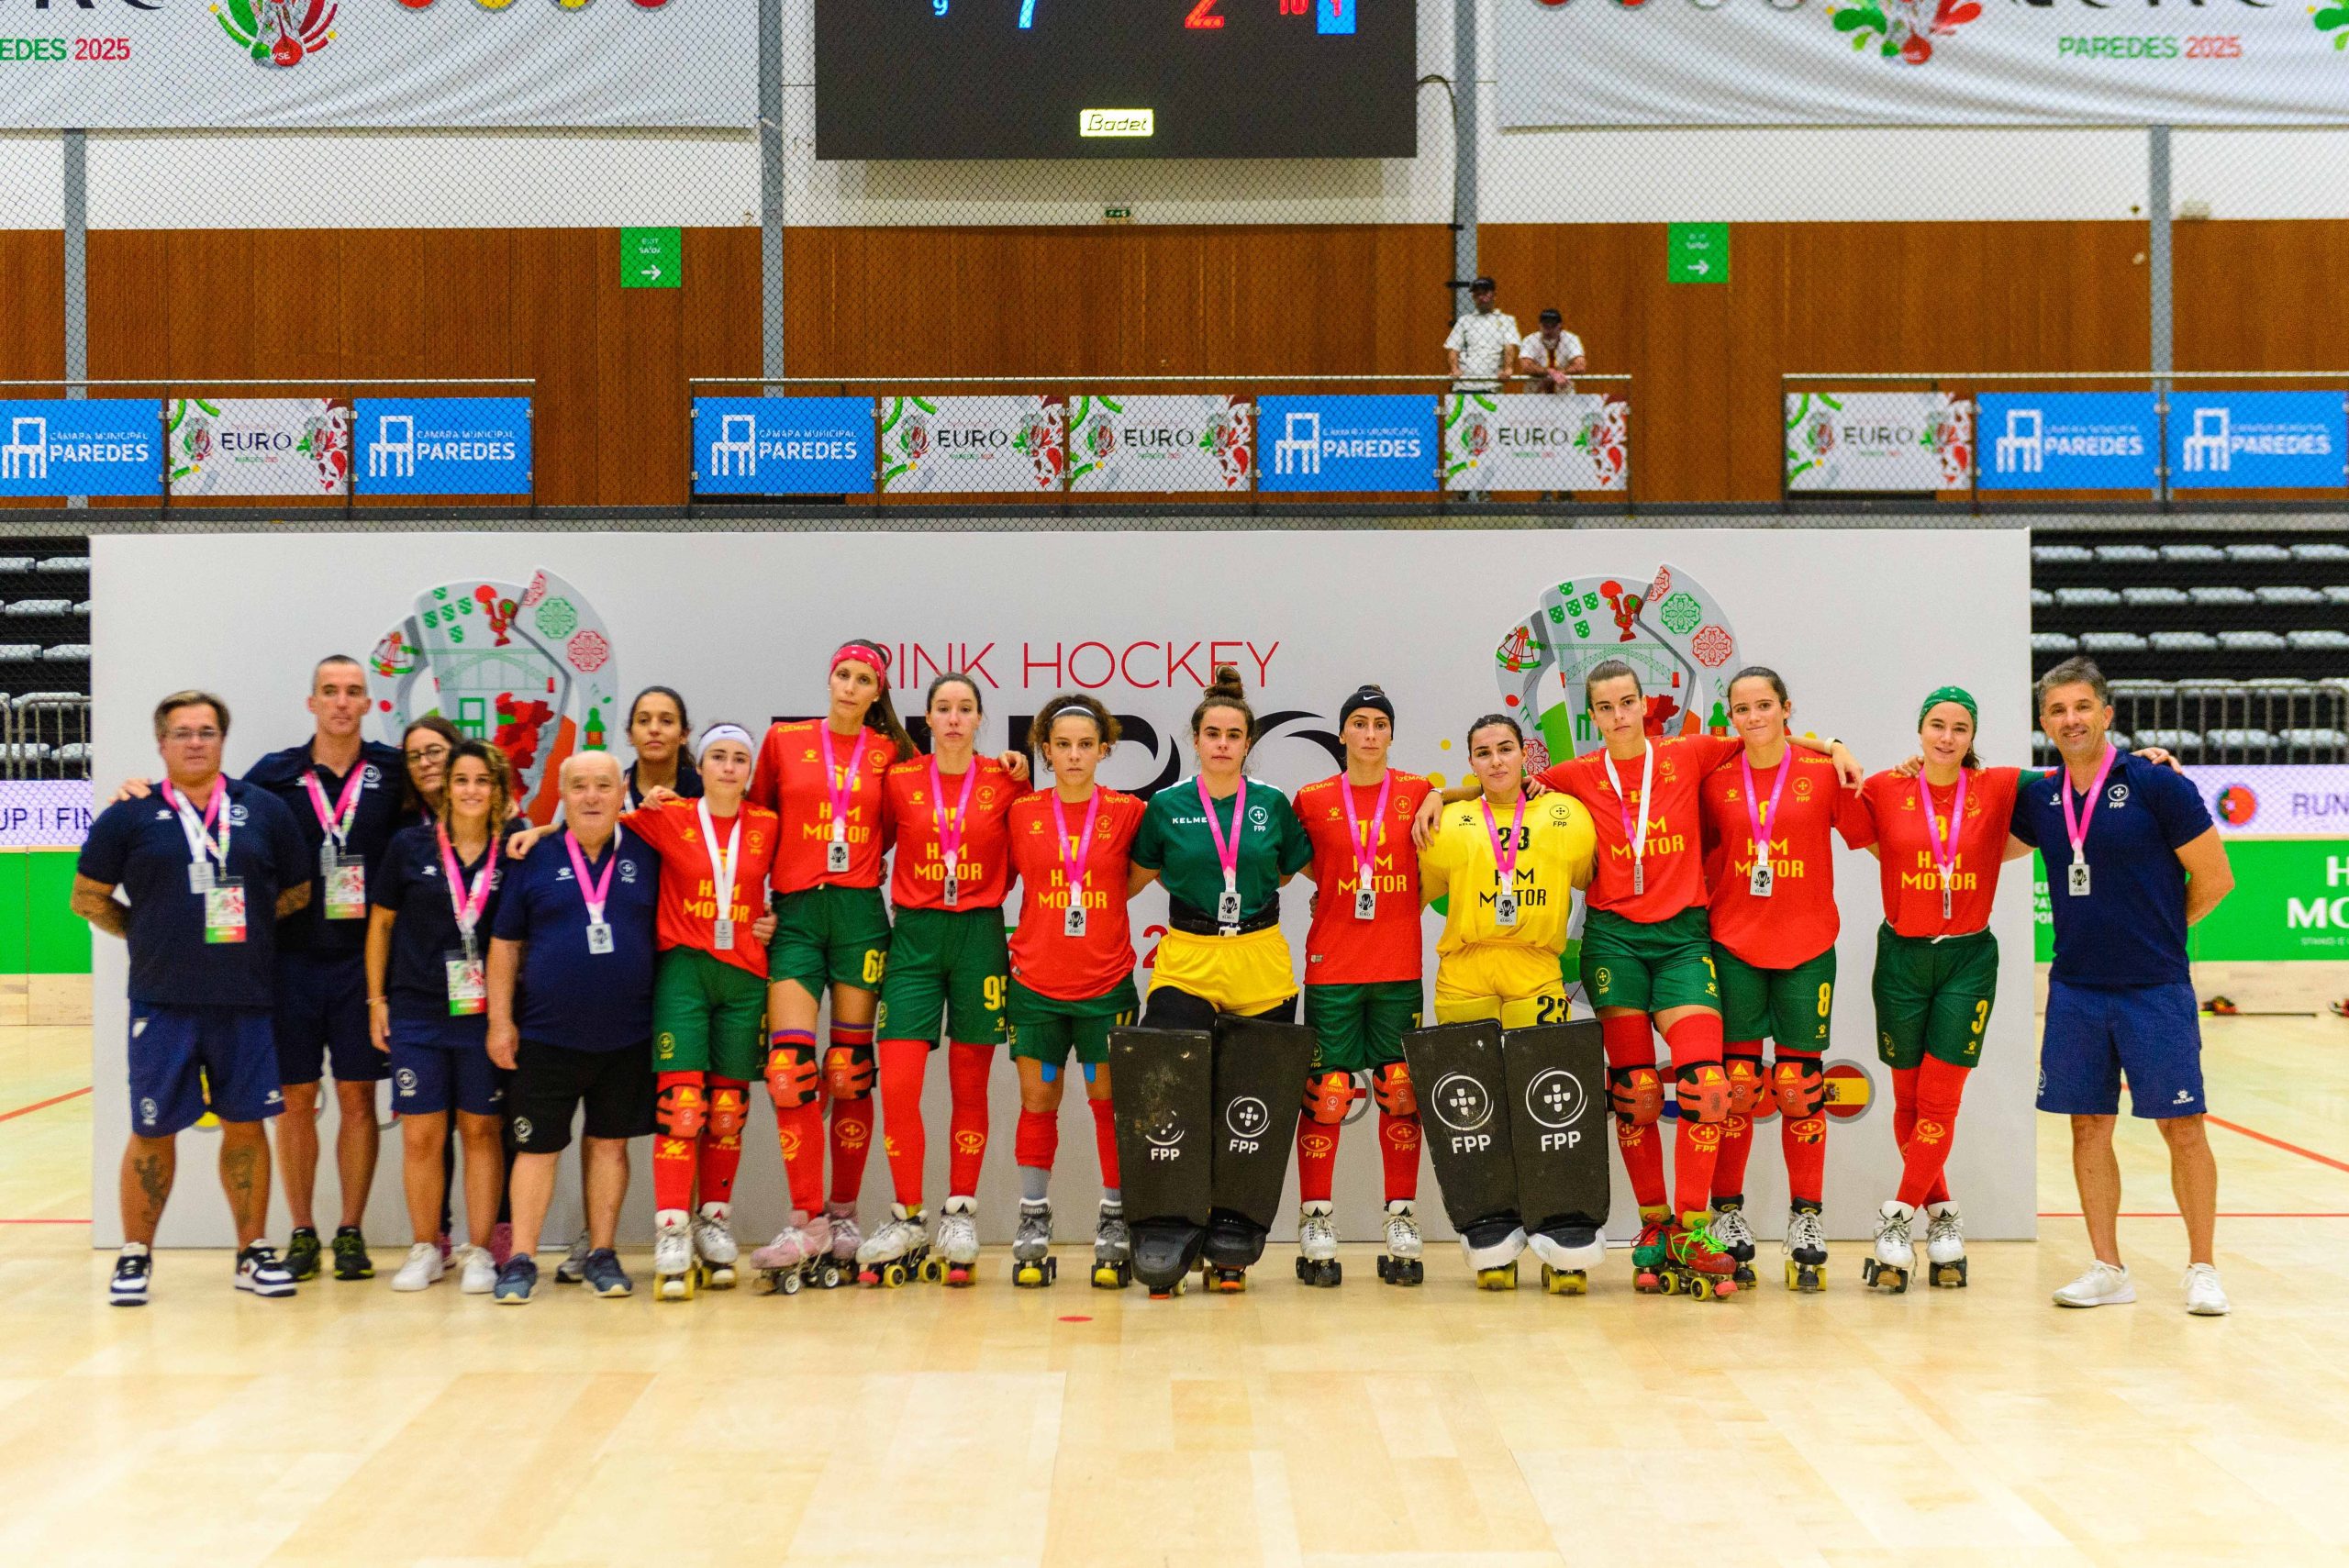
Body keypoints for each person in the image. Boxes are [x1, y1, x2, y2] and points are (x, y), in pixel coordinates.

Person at [1417, 658, 1858, 1295]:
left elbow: (1766, 737)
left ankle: (1692, 1225)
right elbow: (1500, 782)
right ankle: (1653, 1226)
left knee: (1711, 1087)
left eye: (1628, 702)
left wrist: (1835, 744)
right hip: (1614, 943)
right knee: (1637, 1093)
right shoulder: (1572, 776)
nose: (1619, 715)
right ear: (1591, 715)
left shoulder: (1687, 753)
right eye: (1605, 707)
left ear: (1644, 704)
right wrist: (1443, 794)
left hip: (1683, 941)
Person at [2011, 658, 2235, 1316]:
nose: (2071, 719)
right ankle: (2108, 1266)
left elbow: (2216, 879)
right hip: (2077, 989)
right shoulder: (2040, 796)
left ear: (2107, 714)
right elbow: (1966, 800)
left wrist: (2165, 929)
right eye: (2057, 710)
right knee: (2088, 1126)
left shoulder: (2156, 784)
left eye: (2082, 706)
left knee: (2183, 1125)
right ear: (2044, 723)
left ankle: (2203, 1267)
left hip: (2154, 988)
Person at [72, 691, 310, 1303]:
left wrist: (250, 928)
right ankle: (134, 1255)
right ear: (162, 743)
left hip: (246, 1000)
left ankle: (253, 1252)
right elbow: (87, 897)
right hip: (163, 1001)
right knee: (151, 1129)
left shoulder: (263, 810)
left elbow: (298, 891)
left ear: (222, 740)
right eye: (182, 733)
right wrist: (144, 931)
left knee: (247, 1126)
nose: (196, 742)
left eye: (206, 731)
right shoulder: (129, 814)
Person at [1842, 686, 2032, 1294]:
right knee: (1907, 1099)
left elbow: (2077, 775)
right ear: (1919, 729)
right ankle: (1944, 1216)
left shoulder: (1999, 786)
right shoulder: (1884, 789)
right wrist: (1834, 746)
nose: (1947, 736)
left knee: (1940, 1100)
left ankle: (1897, 1218)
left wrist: (2148, 759)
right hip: (1900, 956)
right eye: (1937, 725)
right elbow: (1853, 819)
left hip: (1967, 959)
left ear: (1973, 736)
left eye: (1960, 728)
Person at [743, 639, 919, 1284]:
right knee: (789, 1068)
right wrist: (753, 901)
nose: (849, 686)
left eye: (862, 678)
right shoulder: (783, 742)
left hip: (858, 915)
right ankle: (806, 1218)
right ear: (829, 680)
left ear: (878, 692)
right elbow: (754, 822)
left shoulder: (893, 756)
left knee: (849, 1069)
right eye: (842, 674)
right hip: (794, 913)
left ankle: (844, 1218)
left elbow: (932, 812)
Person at [1697, 668, 1866, 1291]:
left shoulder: (1825, 771)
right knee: (1737, 1084)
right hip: (1735, 944)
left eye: (1764, 704)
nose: (1753, 716)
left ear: (1787, 708)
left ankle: (1805, 1219)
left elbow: (1873, 834)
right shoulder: (1715, 780)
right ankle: (1727, 1213)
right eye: (1742, 707)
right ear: (1730, 715)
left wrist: (1836, 744)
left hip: (1807, 945)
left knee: (1799, 1083)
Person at [1417, 713, 1599, 1288]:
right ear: (1470, 763)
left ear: (1526, 755)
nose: (1495, 761)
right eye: (1482, 752)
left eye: (1505, 749)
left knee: (1545, 1103)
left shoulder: (1565, 814)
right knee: (1472, 1108)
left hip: (1536, 968)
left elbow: (1589, 881)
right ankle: (1489, 1232)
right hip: (1466, 970)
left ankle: (1558, 1235)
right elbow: (1421, 891)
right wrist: (1435, 795)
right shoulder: (1449, 820)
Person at [599, 723, 781, 1301]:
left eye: (739, 759)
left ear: (750, 771)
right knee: (681, 1104)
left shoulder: (768, 825)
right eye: (718, 758)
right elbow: (594, 824)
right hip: (684, 971)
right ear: (697, 767)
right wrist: (541, 832)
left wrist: (773, 916)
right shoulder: (669, 814)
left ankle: (714, 1219)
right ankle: (672, 1228)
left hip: (746, 973)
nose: (729, 768)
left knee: (727, 1107)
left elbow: (797, 881)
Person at [244, 656, 409, 1284]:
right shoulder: (275, 775)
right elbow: (218, 813)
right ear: (311, 701)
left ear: (370, 704)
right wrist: (143, 790)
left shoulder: (394, 773)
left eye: (354, 693)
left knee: (359, 1096)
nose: (342, 702)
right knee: (296, 1099)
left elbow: (462, 813)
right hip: (290, 962)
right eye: (330, 692)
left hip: (364, 968)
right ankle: (303, 1230)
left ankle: (349, 1230)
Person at [484, 751, 662, 1304]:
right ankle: (521, 1259)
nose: (591, 796)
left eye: (603, 786)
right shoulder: (533, 856)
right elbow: (504, 945)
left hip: (627, 1034)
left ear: (621, 790)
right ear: (560, 794)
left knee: (609, 1147)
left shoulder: (649, 851)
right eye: (579, 786)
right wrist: (499, 1021)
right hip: (545, 1033)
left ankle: (602, 1253)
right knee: (536, 1150)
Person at [861, 673, 1020, 1286]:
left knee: (970, 1083)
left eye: (966, 708)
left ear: (980, 718)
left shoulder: (1007, 780)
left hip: (979, 934)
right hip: (915, 937)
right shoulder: (899, 779)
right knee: (898, 1082)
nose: (954, 718)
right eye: (943, 709)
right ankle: (907, 1215)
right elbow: (867, 848)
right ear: (926, 718)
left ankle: (959, 1212)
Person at [1288, 685, 1435, 1287]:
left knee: (1400, 1091)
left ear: (1391, 735)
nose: (1370, 733)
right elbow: (1294, 853)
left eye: (1380, 724)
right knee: (1326, 1092)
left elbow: (1474, 801)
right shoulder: (1314, 798)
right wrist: (1336, 879)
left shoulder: (1420, 792)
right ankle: (1316, 1219)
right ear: (1342, 734)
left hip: (1398, 965)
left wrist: (1444, 796)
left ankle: (1400, 1217)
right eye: (1359, 723)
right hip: (1333, 965)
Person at [1002, 694, 1148, 1288]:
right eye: (1061, 744)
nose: (1073, 754)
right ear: (1045, 749)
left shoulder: (1129, 811)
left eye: (1085, 744)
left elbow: (1138, 873)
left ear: (1104, 749)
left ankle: (1114, 1216)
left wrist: (1104, 902)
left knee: (1107, 1104)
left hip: (1105, 983)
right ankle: (1033, 1216)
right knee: (1038, 1099)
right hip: (1035, 984)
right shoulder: (1020, 810)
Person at [366, 740, 514, 1294]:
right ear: (445, 788)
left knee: (481, 1130)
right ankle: (427, 1247)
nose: (471, 790)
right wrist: (376, 1002)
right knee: (422, 1136)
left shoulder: (513, 852)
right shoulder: (409, 846)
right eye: (461, 780)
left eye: (482, 781)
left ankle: (479, 1250)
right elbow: (380, 927)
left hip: (485, 1016)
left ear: (497, 791)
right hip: (417, 1011)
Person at [1132, 668, 1313, 1033]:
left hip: (1259, 957)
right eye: (1212, 734)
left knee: (1256, 1090)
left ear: (1247, 744)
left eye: (1234, 736)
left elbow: (1289, 869)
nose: (1222, 744)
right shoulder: (1166, 804)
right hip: (1187, 959)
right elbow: (1138, 878)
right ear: (1196, 740)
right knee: (1169, 1079)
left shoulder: (1272, 801)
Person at [623, 685, 703, 810]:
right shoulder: (614, 791)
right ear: (630, 735)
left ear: (683, 735)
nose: (654, 729)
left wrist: (685, 811)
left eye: (666, 721)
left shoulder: (704, 791)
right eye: (644, 721)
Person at [1444, 276, 1520, 395]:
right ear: (1473, 297)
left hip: (1492, 384)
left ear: (1494, 295)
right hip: (1465, 383)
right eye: (1477, 294)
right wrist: (1455, 369)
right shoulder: (1464, 321)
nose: (1481, 297)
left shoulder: (1506, 320)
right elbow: (1453, 349)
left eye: (1485, 293)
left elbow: (1509, 347)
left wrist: (1508, 369)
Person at [395, 717, 462, 828]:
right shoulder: (401, 827)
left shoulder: (487, 815)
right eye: (414, 757)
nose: (423, 763)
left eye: (434, 752)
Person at [1519, 307, 1586, 395]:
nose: (1549, 330)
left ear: (1560, 325)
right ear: (1539, 325)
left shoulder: (1571, 339)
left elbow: (1580, 366)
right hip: (1536, 393)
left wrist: (1560, 373)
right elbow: (1526, 367)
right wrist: (1550, 372)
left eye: (1553, 326)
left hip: (1563, 394)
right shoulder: (1530, 340)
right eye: (1545, 326)